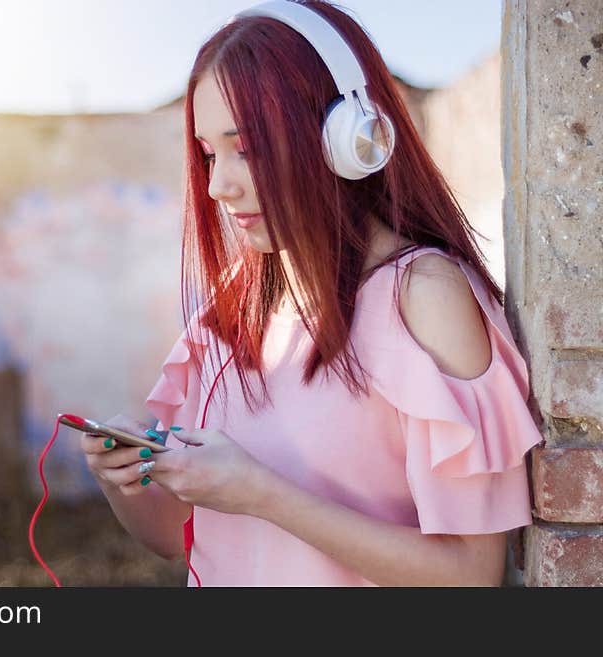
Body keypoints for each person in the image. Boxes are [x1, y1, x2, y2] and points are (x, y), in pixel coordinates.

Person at [79, 0, 542, 586]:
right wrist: (120, 477)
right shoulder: (233, 307)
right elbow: (170, 538)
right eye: (207, 153)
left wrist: (264, 495)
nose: (219, 184)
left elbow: (469, 578)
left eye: (246, 148)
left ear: (345, 137)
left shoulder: (423, 297)